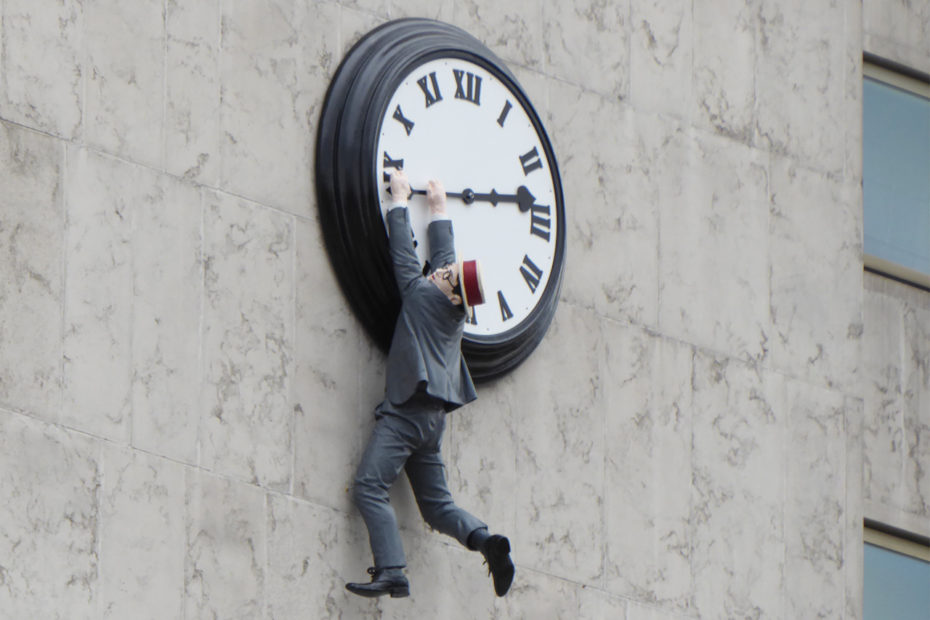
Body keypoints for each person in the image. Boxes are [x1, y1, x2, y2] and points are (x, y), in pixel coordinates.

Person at [345, 169, 514, 599]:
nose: (438, 272)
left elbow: (404, 258)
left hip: (405, 414)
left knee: (369, 486)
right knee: (438, 507)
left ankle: (392, 570)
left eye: (445, 275)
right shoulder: (453, 310)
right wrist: (438, 209)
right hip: (432, 421)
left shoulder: (423, 297)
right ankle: (485, 541)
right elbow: (444, 258)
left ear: (448, 289)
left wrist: (399, 201)